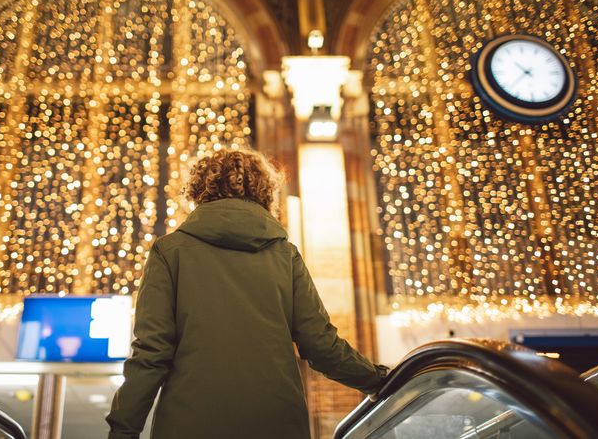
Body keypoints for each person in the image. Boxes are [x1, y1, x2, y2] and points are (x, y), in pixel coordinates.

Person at [106, 149, 388, 439]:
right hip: (277, 424)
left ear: (200, 190)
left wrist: (123, 428)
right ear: (264, 192)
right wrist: (381, 381)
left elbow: (152, 351)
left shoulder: (170, 252)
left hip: (190, 424)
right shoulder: (284, 255)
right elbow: (321, 345)